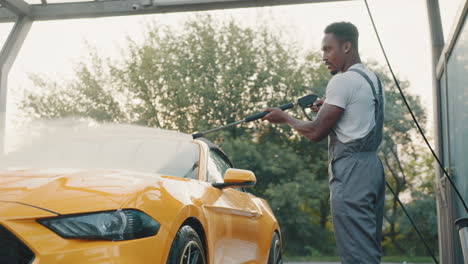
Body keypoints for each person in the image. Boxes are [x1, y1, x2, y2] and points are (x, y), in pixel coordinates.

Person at [262, 22, 385, 263]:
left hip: (351, 170)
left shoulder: (342, 81)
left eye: (328, 49)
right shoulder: (372, 79)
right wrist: (327, 107)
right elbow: (356, 117)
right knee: (367, 246)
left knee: (355, 251)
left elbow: (316, 131)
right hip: (372, 168)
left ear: (347, 46)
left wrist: (285, 117)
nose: (323, 57)